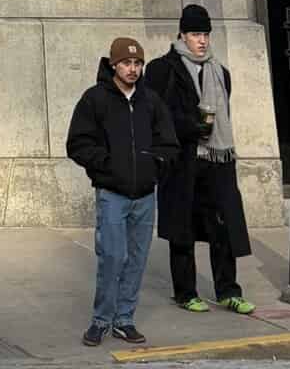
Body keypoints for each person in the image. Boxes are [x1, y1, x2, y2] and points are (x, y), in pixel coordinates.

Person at [67, 35, 179, 348]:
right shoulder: (95, 99)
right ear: (113, 64)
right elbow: (77, 143)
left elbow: (169, 143)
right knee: (113, 257)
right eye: (127, 63)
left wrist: (155, 165)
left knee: (137, 259)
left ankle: (124, 319)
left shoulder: (151, 101)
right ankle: (100, 320)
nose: (132, 69)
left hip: (145, 195)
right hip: (112, 194)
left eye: (138, 63)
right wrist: (106, 165)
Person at [144, 5, 255, 316]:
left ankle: (229, 291)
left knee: (223, 227)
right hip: (182, 161)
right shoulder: (162, 69)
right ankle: (185, 292)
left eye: (205, 34)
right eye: (195, 34)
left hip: (218, 160)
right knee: (183, 230)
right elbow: (157, 115)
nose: (202, 40)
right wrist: (190, 126)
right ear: (182, 34)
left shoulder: (221, 73)